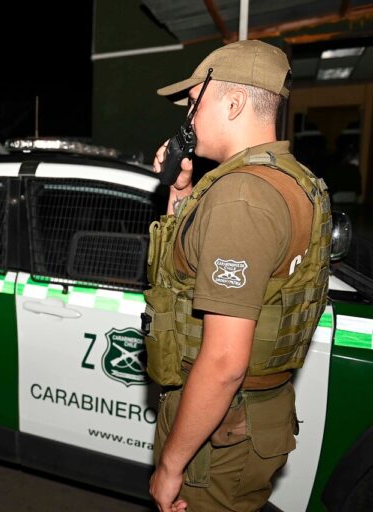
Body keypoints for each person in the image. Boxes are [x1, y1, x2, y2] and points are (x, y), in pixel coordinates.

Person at [143, 40, 331, 512]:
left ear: (233, 103)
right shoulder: (289, 178)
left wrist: (171, 466)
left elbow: (226, 360)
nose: (186, 120)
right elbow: (191, 267)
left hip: (217, 438)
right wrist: (179, 190)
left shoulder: (241, 197)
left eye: (192, 104)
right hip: (239, 423)